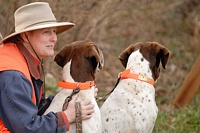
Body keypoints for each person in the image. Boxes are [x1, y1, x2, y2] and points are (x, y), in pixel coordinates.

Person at [0, 2, 97, 133]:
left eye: (54, 32)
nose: (54, 39)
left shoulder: (24, 59)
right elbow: (26, 128)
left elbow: (34, 108)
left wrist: (73, 96)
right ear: (25, 36)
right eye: (46, 32)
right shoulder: (13, 75)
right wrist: (67, 116)